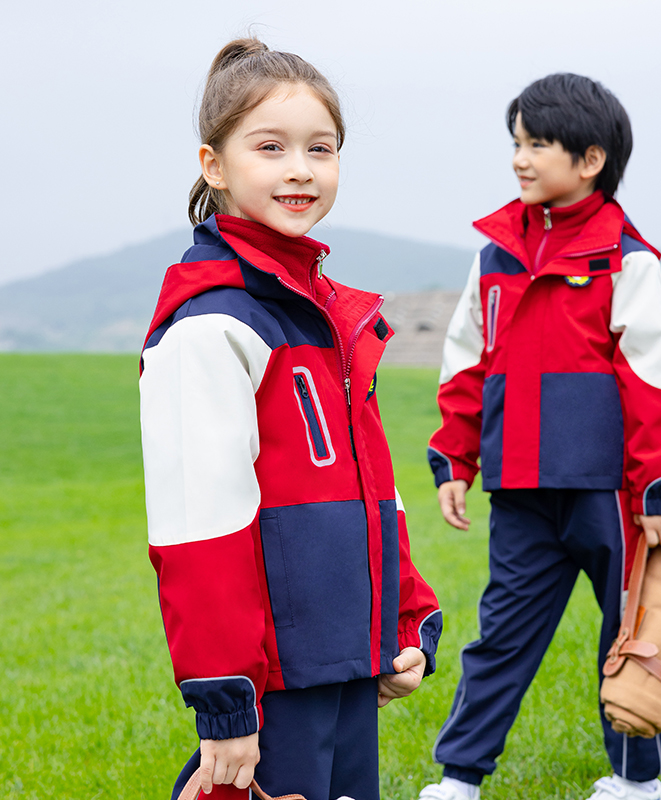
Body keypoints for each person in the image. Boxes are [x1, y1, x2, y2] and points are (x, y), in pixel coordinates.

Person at [139, 38, 442, 800]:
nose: (300, 168)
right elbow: (198, 527)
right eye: (269, 147)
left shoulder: (330, 319)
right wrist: (225, 696)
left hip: (345, 661)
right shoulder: (209, 325)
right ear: (214, 164)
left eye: (321, 148)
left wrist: (404, 620)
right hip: (271, 676)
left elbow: (374, 486)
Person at [420, 73, 661, 800]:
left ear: (590, 159)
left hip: (607, 491)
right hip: (521, 489)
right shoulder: (496, 255)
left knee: (630, 635)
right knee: (500, 636)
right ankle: (460, 778)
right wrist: (455, 458)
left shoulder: (626, 257)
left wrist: (659, 486)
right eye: (516, 143)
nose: (520, 158)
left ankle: (637, 781)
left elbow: (652, 378)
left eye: (538, 144)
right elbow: (467, 362)